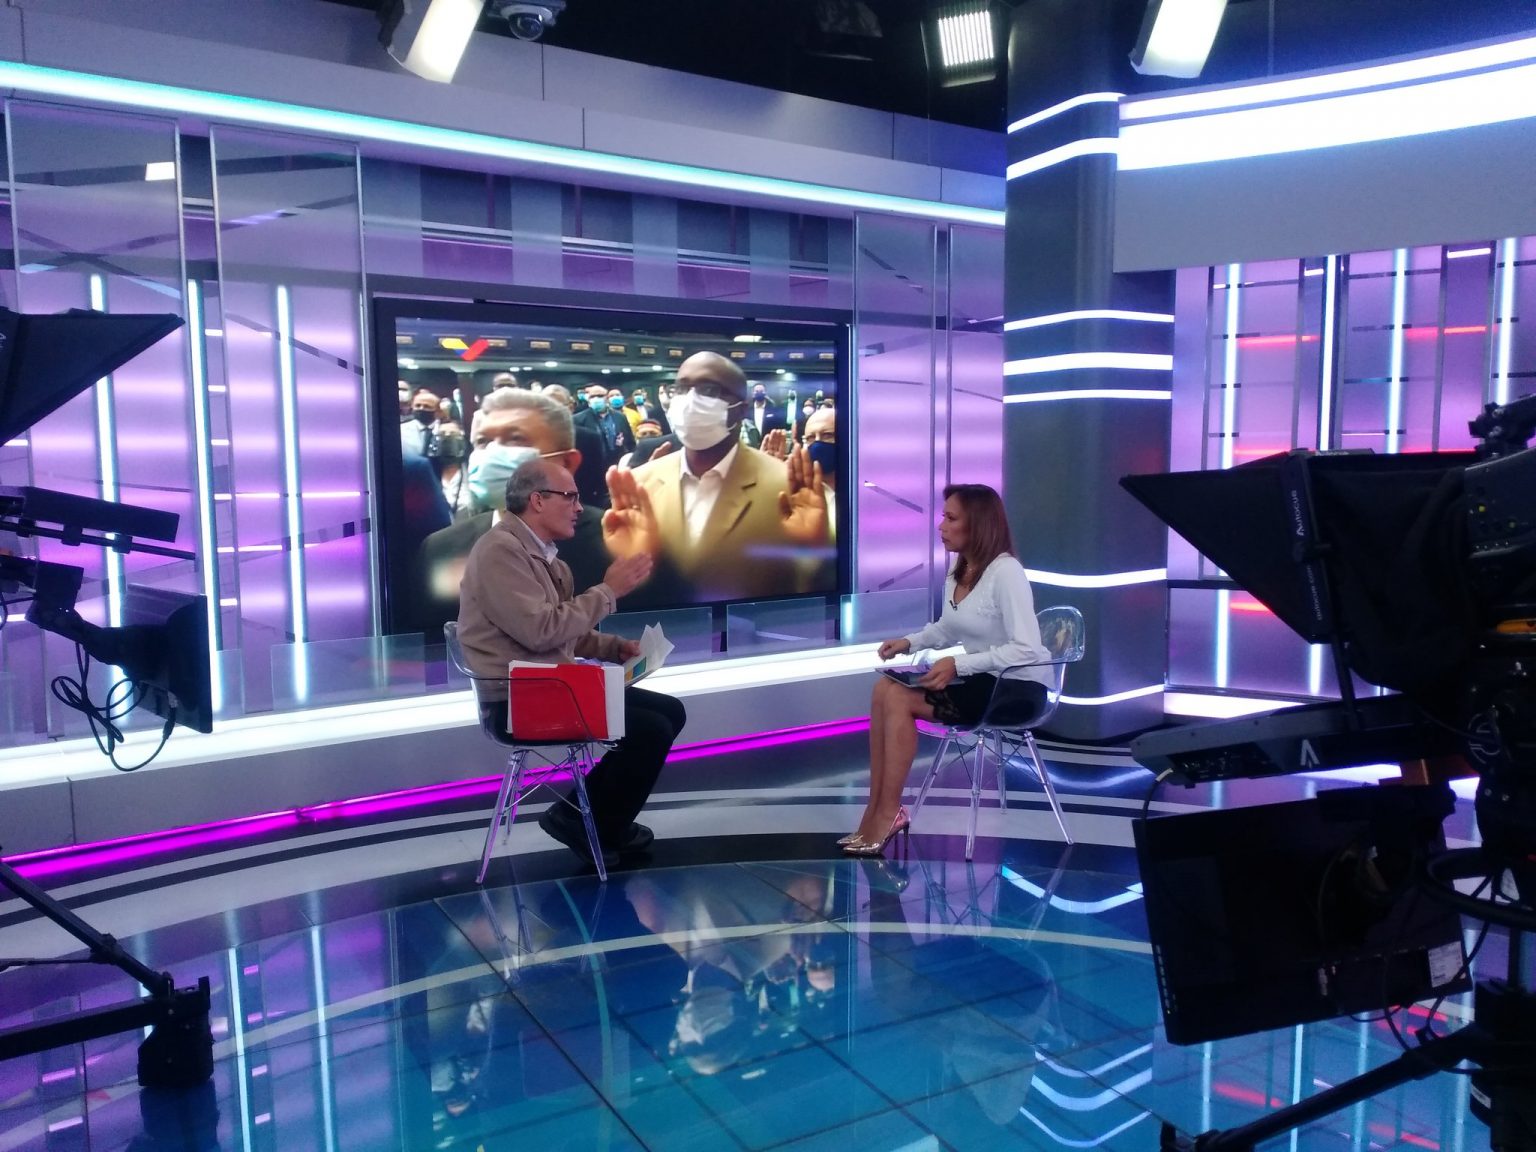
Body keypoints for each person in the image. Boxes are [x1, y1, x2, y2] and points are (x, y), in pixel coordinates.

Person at [456, 454, 687, 869]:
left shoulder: (547, 558)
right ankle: (587, 823)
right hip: (519, 699)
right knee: (649, 729)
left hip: (552, 688)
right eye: (571, 497)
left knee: (670, 711)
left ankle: (593, 820)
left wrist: (612, 647)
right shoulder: (500, 551)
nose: (580, 507)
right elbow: (540, 631)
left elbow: (564, 630)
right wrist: (608, 591)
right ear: (538, 500)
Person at [847, 483, 1053, 856]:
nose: (941, 526)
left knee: (899, 700)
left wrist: (958, 663)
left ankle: (889, 814)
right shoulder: (960, 571)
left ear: (978, 524)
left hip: (1017, 689)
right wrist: (908, 642)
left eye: (951, 518)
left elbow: (1026, 648)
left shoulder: (1006, 572)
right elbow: (948, 628)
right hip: (982, 680)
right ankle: (875, 810)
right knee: (884, 690)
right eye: (944, 516)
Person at [604, 351, 833, 602]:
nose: (689, 400)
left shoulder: (787, 486)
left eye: (709, 390)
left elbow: (817, 591)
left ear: (741, 409)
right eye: (681, 388)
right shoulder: (638, 484)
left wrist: (815, 550)